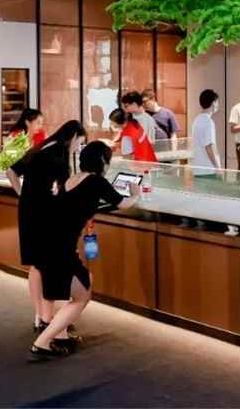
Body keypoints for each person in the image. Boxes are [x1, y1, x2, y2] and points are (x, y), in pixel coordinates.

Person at [30, 141, 140, 361]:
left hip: (49, 243)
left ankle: (59, 335)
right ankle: (42, 343)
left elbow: (76, 204)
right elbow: (123, 203)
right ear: (102, 161)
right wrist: (135, 193)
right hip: (61, 248)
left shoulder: (71, 179)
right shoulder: (96, 181)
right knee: (82, 295)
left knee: (75, 285)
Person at [7, 120, 87, 334]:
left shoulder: (41, 147)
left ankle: (40, 316)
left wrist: (23, 195)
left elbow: (11, 171)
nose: (78, 148)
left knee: (36, 264)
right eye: (79, 143)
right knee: (48, 264)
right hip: (46, 214)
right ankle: (48, 318)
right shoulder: (59, 154)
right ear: (73, 137)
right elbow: (64, 190)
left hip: (28, 212)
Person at [192, 89, 222, 177]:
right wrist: (217, 167)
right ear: (213, 103)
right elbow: (209, 146)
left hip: (198, 169)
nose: (218, 104)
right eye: (217, 102)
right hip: (208, 170)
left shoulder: (196, 120)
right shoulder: (209, 122)